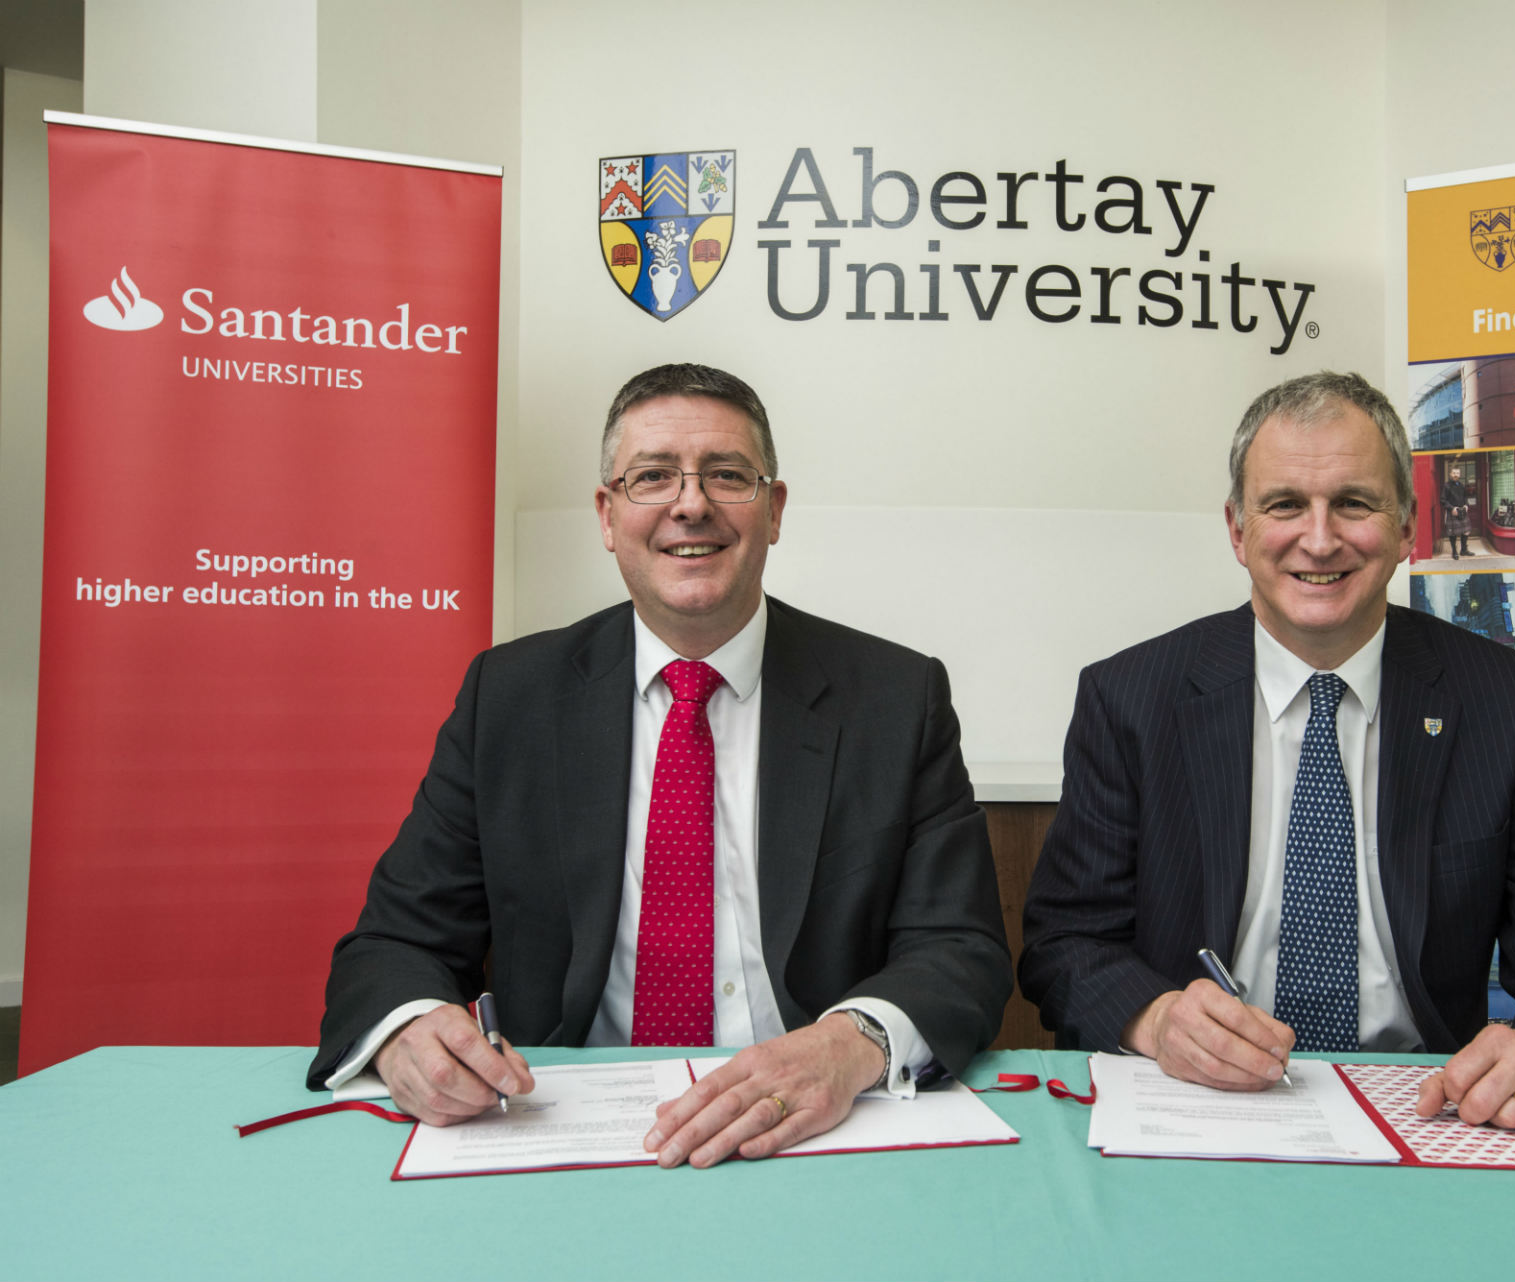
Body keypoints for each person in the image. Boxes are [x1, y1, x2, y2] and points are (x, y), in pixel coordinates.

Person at [309, 363, 1010, 1168]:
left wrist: (848, 1048)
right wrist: (407, 1032)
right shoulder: (508, 698)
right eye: (653, 477)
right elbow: (395, 941)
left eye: (727, 475)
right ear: (608, 516)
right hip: (567, 1122)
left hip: (815, 1125)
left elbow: (961, 948)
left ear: (774, 511)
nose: (690, 503)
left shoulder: (894, 697)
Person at [1020, 371, 1515, 1135]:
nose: (1320, 539)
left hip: (1427, 1109)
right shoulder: (1130, 697)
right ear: (1237, 530)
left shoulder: (1507, 703)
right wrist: (1157, 1019)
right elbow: (1066, 942)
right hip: (1192, 1104)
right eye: (1285, 504)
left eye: (1353, 503)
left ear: (1406, 528)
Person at [1442, 465, 1472, 558]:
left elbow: (1465, 497)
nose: (1456, 475)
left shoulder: (1462, 485)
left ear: (1459, 474)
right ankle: (1454, 551)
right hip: (1453, 512)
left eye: (1457, 473)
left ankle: (1463, 550)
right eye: (1454, 473)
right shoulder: (1446, 486)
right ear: (1450, 474)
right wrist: (1451, 508)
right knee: (1453, 533)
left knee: (1466, 531)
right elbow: (1443, 500)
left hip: (1462, 511)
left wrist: (1466, 505)